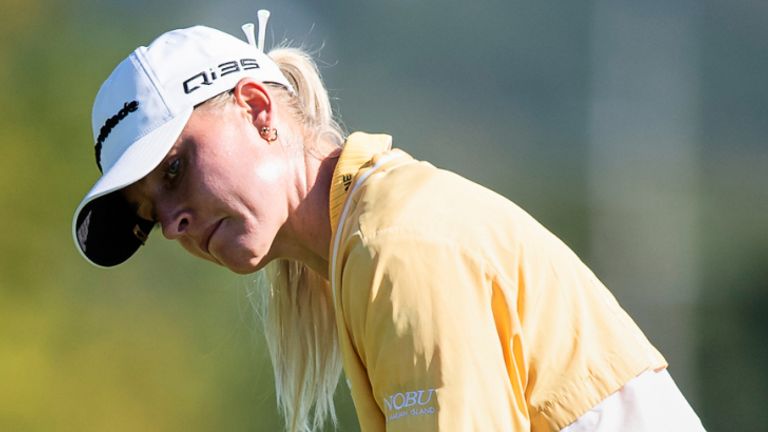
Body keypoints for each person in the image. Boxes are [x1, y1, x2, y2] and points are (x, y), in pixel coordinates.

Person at [71, 10, 705, 432]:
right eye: (151, 215)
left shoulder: (396, 245)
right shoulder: (370, 237)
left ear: (258, 110)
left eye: (175, 169)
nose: (173, 223)